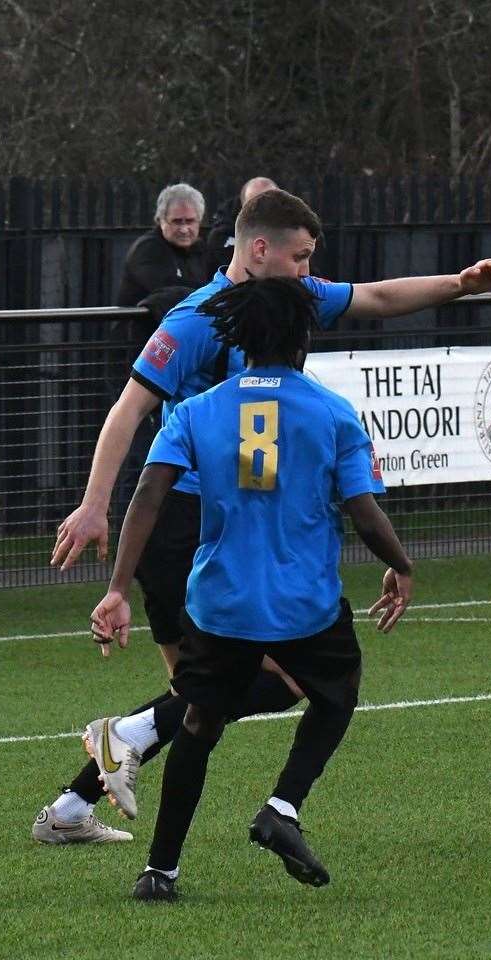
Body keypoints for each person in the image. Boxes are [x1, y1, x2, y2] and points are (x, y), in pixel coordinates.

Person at [31, 188, 491, 845]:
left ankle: (75, 806)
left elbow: (375, 296)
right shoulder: (196, 319)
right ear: (259, 250)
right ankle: (125, 755)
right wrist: (92, 503)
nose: (310, 272)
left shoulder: (286, 297)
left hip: (226, 521)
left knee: (213, 695)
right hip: (187, 522)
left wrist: (459, 284)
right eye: (301, 257)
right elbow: (129, 409)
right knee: (243, 688)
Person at [88, 277, 415, 901]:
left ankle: (160, 871)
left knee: (198, 726)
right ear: (304, 336)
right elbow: (363, 509)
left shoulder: (194, 410)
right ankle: (282, 807)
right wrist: (401, 564)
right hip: (304, 607)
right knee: (336, 694)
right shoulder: (331, 412)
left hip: (219, 605)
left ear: (237, 338)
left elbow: (149, 495)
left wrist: (117, 587)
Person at [117, 183, 214, 306]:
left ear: (199, 221)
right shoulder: (147, 249)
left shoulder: (200, 249)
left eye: (190, 221)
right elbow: (169, 291)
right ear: (161, 220)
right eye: (176, 222)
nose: (184, 229)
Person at [205, 177, 280, 268]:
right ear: (243, 206)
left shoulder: (293, 231)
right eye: (254, 205)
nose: (262, 211)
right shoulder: (222, 237)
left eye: (269, 204)